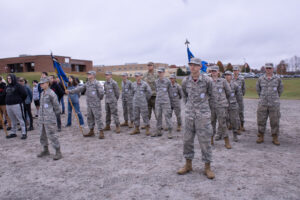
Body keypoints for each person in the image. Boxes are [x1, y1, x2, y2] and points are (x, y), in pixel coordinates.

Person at [177, 57, 215, 179]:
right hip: (189, 116)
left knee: (205, 141)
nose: (192, 67)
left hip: (203, 116)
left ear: (200, 67)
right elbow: (185, 96)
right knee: (187, 140)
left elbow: (212, 97)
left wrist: (205, 110)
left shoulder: (207, 80)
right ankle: (188, 165)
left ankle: (207, 167)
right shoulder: (185, 81)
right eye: (190, 65)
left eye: (195, 65)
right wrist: (190, 108)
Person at [66, 71, 105, 139]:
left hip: (96, 104)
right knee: (90, 117)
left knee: (98, 118)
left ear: (93, 75)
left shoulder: (97, 83)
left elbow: (101, 93)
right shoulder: (87, 83)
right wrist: (70, 91)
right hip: (89, 104)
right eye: (88, 74)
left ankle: (101, 132)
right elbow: (80, 89)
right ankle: (91, 131)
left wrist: (98, 100)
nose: (88, 75)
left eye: (89, 74)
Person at [256, 63, 283, 145]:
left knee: (275, 121)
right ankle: (261, 136)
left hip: (274, 104)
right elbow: (258, 90)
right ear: (265, 69)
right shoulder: (261, 79)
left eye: (270, 68)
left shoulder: (277, 79)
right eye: (267, 68)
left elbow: (280, 90)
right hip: (263, 103)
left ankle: (275, 137)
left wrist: (274, 98)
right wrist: (263, 97)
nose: (268, 70)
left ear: (272, 69)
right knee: (261, 120)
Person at [37, 77, 62, 160]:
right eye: (40, 84)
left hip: (49, 119)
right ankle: (45, 150)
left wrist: (54, 116)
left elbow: (56, 107)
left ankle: (58, 152)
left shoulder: (51, 93)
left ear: (47, 83)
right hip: (42, 119)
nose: (41, 85)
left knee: (52, 135)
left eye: (43, 83)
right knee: (42, 135)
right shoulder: (42, 93)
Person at [209, 65, 232, 149]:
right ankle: (211, 140)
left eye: (215, 71)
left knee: (223, 123)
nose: (213, 72)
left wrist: (223, 101)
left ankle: (226, 141)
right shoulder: (208, 81)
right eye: (212, 71)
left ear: (218, 72)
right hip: (211, 106)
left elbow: (228, 92)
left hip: (221, 106)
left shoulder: (223, 81)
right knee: (211, 123)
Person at [5, 74, 27, 139]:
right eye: (8, 78)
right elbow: (4, 94)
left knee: (20, 119)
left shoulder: (18, 86)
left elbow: (24, 94)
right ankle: (13, 132)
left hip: (17, 105)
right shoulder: (7, 86)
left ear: (13, 78)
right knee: (12, 119)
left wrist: (19, 100)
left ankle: (24, 133)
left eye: (10, 78)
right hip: (8, 105)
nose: (9, 80)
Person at [153, 67, 173, 138]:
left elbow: (170, 93)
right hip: (158, 102)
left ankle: (170, 131)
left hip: (166, 102)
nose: (160, 73)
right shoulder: (156, 81)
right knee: (158, 116)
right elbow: (156, 90)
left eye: (161, 72)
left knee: (167, 116)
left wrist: (171, 102)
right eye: (158, 72)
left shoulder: (168, 81)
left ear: (164, 72)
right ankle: (158, 130)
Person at [224, 71, 241, 142]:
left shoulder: (235, 85)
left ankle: (235, 134)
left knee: (234, 120)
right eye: (226, 75)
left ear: (231, 76)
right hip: (224, 104)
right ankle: (223, 134)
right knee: (223, 120)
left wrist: (236, 103)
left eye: (229, 75)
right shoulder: (221, 84)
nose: (227, 76)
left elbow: (238, 95)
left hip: (233, 104)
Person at [142, 62, 158, 126]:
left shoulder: (157, 74)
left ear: (153, 66)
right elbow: (143, 84)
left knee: (157, 111)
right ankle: (146, 124)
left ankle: (159, 124)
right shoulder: (145, 74)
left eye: (150, 65)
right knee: (147, 111)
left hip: (155, 95)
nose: (149, 67)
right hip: (147, 96)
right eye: (148, 65)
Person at [232, 66, 246, 132]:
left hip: (239, 98)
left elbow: (244, 88)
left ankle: (242, 125)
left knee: (240, 111)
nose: (235, 72)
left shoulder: (241, 79)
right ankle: (232, 125)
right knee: (232, 112)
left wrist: (241, 94)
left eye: (236, 70)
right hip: (232, 98)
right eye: (234, 70)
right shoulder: (230, 78)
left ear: (238, 71)